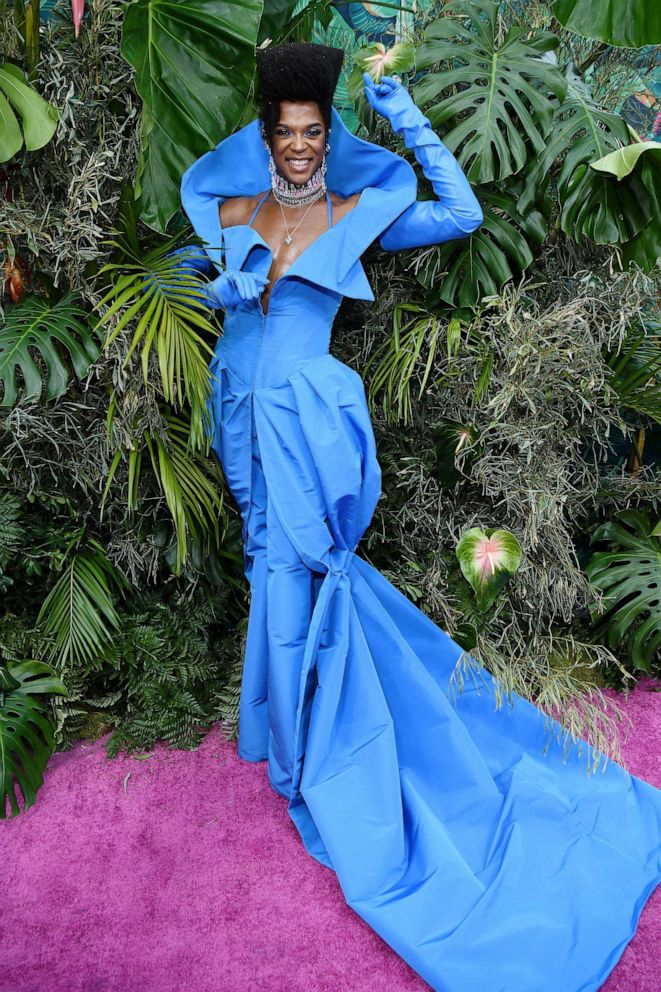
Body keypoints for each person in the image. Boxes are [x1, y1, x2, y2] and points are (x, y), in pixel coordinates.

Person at [179, 41, 661, 992]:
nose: (301, 149)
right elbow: (196, 292)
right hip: (239, 412)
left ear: (329, 134)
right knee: (262, 563)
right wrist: (220, 289)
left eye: (315, 133)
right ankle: (295, 740)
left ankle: (316, 760)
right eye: (287, 134)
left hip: (310, 423)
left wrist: (397, 105)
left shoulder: (353, 214)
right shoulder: (232, 208)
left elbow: (462, 210)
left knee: (300, 575)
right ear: (266, 134)